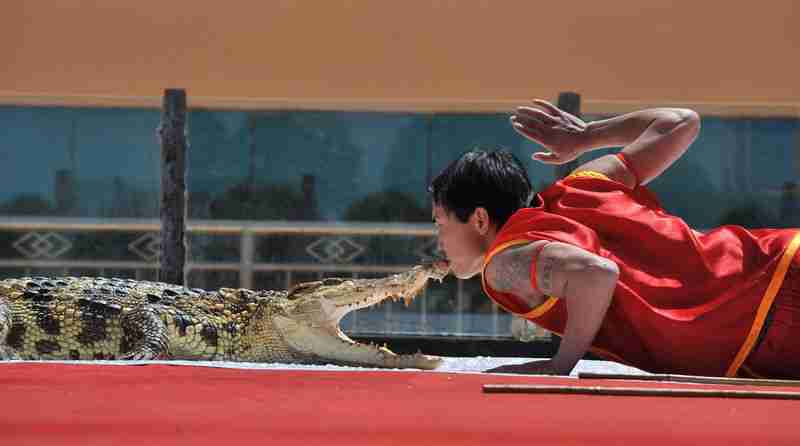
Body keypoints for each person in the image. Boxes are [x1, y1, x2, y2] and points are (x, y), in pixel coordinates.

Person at [429, 99, 800, 379]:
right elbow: (680, 122)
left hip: (768, 315)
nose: (438, 241)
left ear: (479, 219)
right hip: (778, 263)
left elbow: (595, 274)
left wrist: (560, 366)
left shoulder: (505, 261)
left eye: (440, 223)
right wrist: (587, 136)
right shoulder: (584, 182)